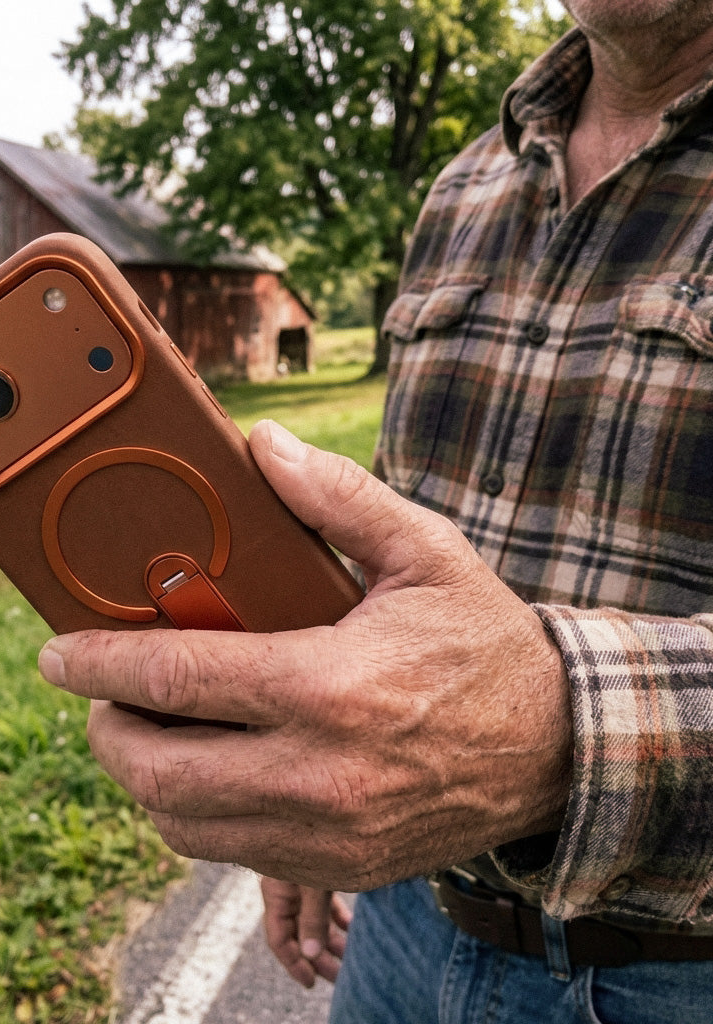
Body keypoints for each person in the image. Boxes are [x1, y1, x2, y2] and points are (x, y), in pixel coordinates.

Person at [37, 0, 713, 1019]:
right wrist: (312, 772)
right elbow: (394, 545)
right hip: (404, 923)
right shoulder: (463, 187)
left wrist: (553, 737)